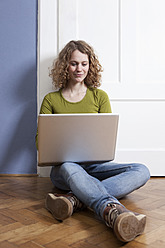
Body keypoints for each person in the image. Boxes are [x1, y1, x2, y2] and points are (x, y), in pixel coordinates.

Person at [36, 40, 150, 242]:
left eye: (84, 63)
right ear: (65, 65)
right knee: (70, 166)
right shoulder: (51, 100)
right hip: (65, 169)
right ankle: (111, 211)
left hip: (96, 166)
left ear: (90, 65)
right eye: (73, 63)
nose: (79, 69)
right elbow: (40, 142)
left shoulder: (100, 96)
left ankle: (74, 200)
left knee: (142, 170)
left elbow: (106, 136)